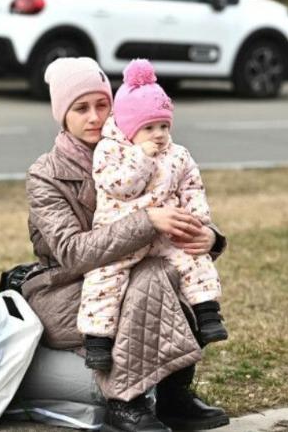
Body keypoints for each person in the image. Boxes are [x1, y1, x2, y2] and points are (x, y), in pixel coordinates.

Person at [23, 56, 229, 431]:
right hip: (68, 289)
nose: (95, 117)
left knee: (173, 269)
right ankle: (127, 402)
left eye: (103, 105)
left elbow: (185, 196)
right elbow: (71, 253)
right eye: (80, 108)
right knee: (151, 276)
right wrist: (147, 221)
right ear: (62, 115)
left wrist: (209, 237)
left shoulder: (146, 145)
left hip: (140, 266)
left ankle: (173, 396)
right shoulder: (45, 175)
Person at [79, 59, 227, 372]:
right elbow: (120, 187)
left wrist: (200, 221)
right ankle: (98, 341)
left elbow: (192, 185)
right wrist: (140, 157)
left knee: (193, 258)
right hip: (122, 233)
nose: (158, 135)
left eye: (164, 126)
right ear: (130, 127)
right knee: (104, 280)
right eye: (149, 127)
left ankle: (208, 311)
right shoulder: (112, 151)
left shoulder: (177, 153)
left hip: (165, 234)